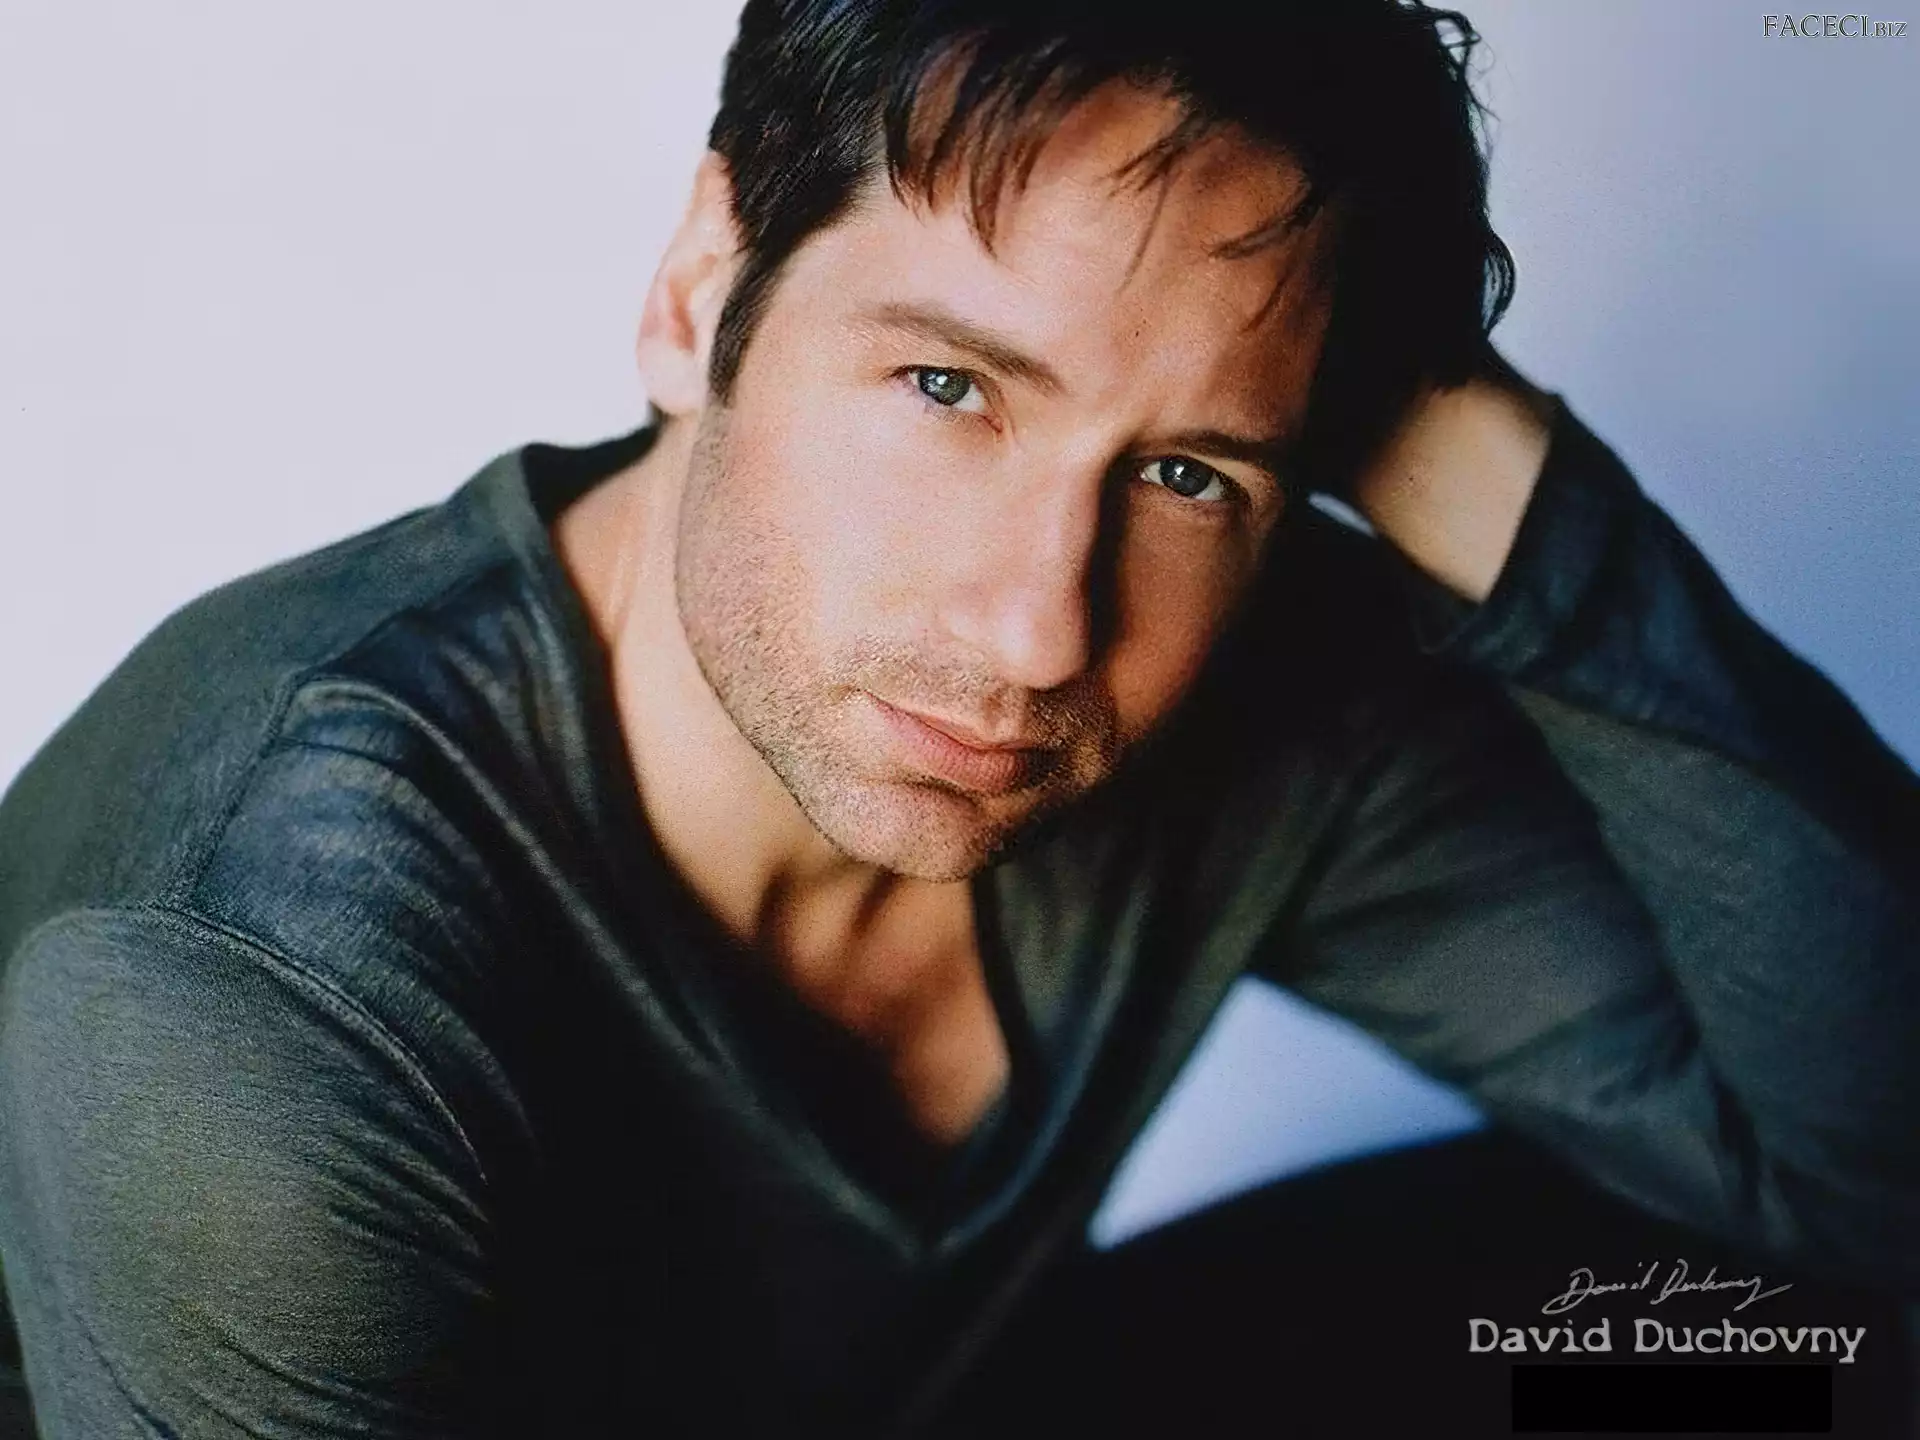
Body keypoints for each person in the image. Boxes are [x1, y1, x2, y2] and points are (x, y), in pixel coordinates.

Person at [0, 0, 1915, 1434]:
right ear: (702, 291)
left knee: (1762, 1338)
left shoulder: (1266, 690)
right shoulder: (256, 1007)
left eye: (1187, 474)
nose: (1038, 629)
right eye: (948, 388)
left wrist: (1523, 520)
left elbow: (1868, 1188)